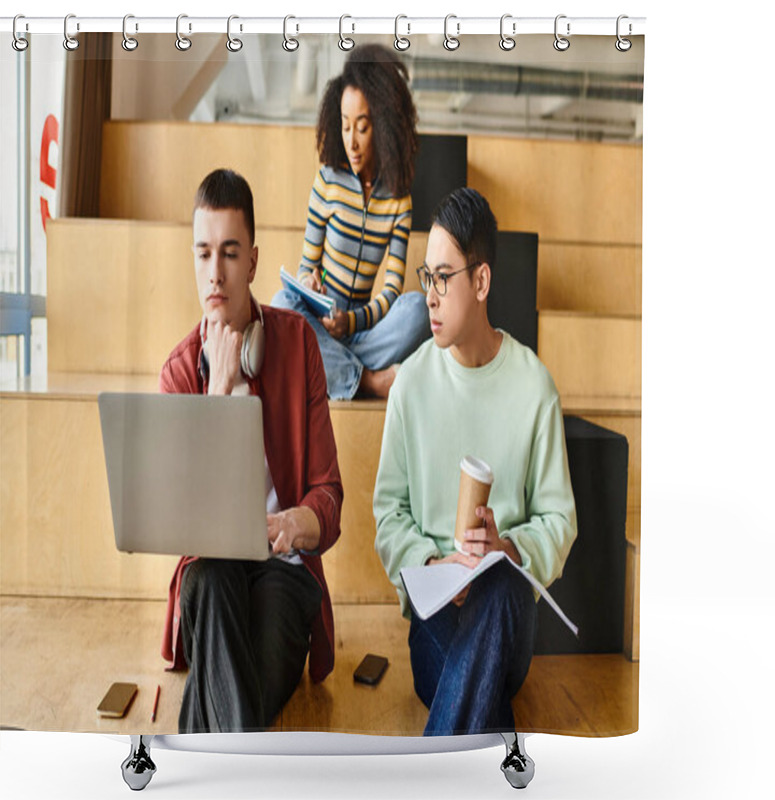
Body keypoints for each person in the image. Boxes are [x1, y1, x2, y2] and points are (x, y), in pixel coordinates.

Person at [373, 188, 578, 736]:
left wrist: (508, 548)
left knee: (502, 588)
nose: (430, 298)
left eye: (444, 278)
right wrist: (434, 567)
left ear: (480, 282)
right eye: (426, 278)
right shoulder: (410, 383)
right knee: (469, 687)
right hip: (435, 616)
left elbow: (560, 520)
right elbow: (388, 515)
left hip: (506, 617)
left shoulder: (534, 385)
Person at [159, 169, 343, 733]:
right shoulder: (180, 371)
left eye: (230, 254)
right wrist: (216, 394)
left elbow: (328, 497)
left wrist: (292, 523)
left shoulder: (297, 343)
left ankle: (198, 757)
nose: (215, 273)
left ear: (254, 262)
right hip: (211, 574)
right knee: (210, 579)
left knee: (228, 683)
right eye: (204, 253)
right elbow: (178, 521)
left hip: (283, 573)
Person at [272, 44, 430, 400]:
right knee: (282, 304)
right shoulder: (327, 180)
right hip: (321, 323)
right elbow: (305, 267)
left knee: (418, 308)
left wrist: (352, 322)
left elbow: (391, 290)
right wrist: (308, 283)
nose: (352, 143)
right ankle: (369, 381)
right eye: (345, 127)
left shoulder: (399, 199)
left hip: (364, 329)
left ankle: (330, 370)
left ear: (385, 125)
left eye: (362, 127)